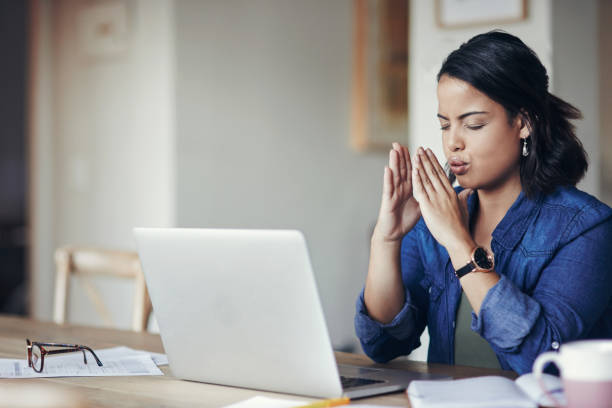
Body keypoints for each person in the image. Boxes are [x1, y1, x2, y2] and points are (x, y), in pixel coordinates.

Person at [354, 30, 612, 374]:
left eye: (473, 124)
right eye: (446, 126)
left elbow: (539, 359)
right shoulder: (433, 220)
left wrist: (459, 243)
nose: (453, 143)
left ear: (524, 122)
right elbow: (383, 344)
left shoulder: (586, 227)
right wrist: (387, 239)